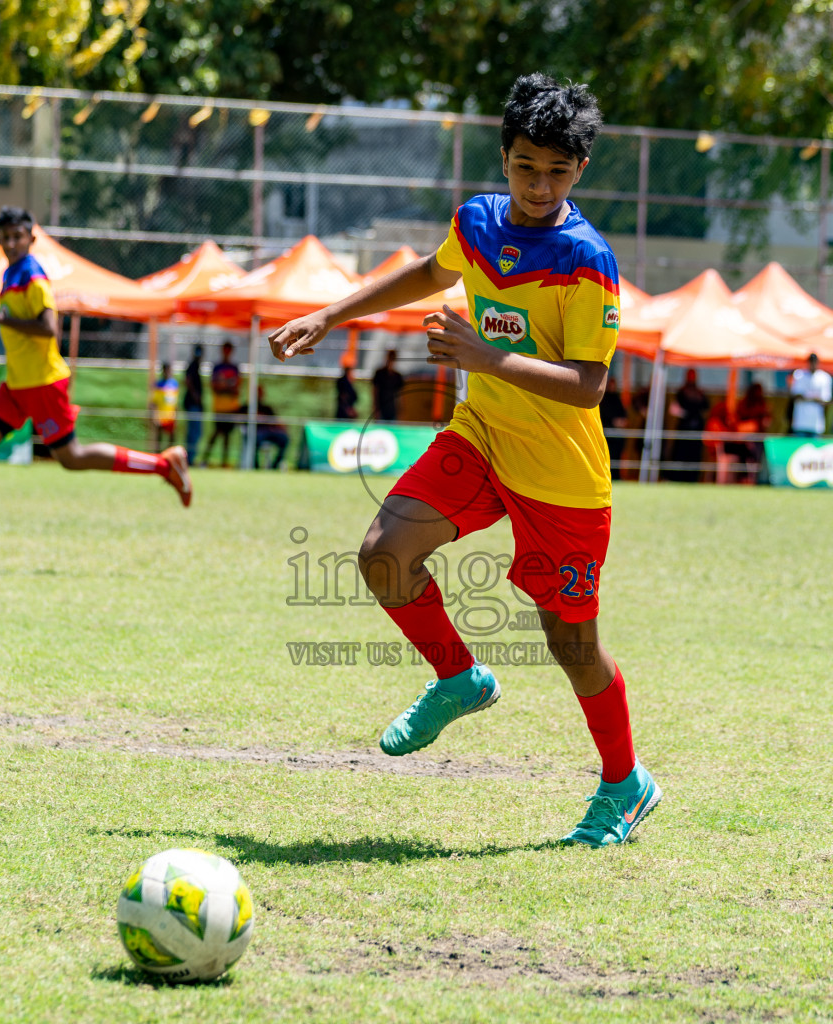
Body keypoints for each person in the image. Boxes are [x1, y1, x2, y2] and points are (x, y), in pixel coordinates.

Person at [266, 74, 659, 846]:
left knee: (570, 644)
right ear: (503, 157)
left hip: (561, 477)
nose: (539, 184)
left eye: (556, 170)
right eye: (524, 166)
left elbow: (588, 386)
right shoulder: (477, 223)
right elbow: (431, 272)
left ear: (580, 169)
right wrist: (330, 314)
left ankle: (625, 783)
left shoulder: (588, 259)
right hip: (480, 437)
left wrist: (485, 353)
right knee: (383, 556)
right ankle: (458, 677)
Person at [0, 207, 191, 561]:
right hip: (18, 384)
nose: (11, 243)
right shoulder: (12, 274)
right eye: (5, 237)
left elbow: (48, 329)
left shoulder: (33, 275)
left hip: (42, 383)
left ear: (32, 238)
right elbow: (10, 318)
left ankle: (164, 465)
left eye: (17, 237)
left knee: (71, 458)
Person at [203, 341, 242, 467]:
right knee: (215, 434)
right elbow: (215, 387)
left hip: (231, 407)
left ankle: (224, 462)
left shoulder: (235, 368)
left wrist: (224, 385)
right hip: (219, 407)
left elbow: (236, 388)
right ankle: (204, 459)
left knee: (227, 437)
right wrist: (227, 386)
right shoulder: (217, 367)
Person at [666, 368, 708, 483]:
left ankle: (692, 478)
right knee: (680, 455)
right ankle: (678, 477)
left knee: (694, 456)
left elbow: (705, 408)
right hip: (684, 429)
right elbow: (675, 409)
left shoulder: (700, 393)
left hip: (696, 430)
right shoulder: (681, 392)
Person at [730, 381, 772, 484]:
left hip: (757, 439)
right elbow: (736, 422)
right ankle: (744, 479)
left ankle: (754, 479)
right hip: (742, 440)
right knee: (746, 455)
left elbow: (766, 423)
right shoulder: (744, 404)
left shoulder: (762, 405)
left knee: (757, 455)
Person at [789, 353, 832, 437]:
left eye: (814, 361)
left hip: (816, 424)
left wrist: (806, 398)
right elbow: (795, 395)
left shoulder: (824, 377)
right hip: (800, 423)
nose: (812, 364)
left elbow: (826, 400)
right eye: (811, 361)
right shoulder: (799, 375)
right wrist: (814, 398)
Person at [252, 386, 290, 469]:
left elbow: (274, 420)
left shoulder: (267, 408)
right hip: (256, 432)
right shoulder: (247, 407)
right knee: (254, 439)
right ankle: (255, 466)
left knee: (284, 439)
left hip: (269, 431)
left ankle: (275, 465)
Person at [599, 375, 628, 473]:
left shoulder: (617, 398)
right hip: (607, 433)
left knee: (617, 456)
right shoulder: (603, 399)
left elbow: (623, 415)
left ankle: (616, 475)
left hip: (617, 435)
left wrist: (622, 421)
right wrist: (614, 421)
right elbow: (604, 414)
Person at [183, 344, 205, 464]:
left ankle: (190, 458)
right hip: (193, 405)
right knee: (193, 433)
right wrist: (195, 395)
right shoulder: (193, 365)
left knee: (196, 433)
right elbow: (188, 380)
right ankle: (189, 459)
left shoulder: (196, 366)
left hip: (195, 405)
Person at [150, 363, 180, 453]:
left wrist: (176, 415)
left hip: (171, 415)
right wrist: (155, 416)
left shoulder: (174, 384)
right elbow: (154, 402)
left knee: (172, 437)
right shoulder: (159, 384)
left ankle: (170, 455)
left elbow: (175, 402)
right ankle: (158, 456)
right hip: (161, 415)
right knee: (159, 437)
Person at [372, 348, 405, 421]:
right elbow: (375, 391)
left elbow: (399, 395)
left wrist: (400, 410)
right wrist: (375, 408)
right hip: (381, 409)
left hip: (392, 410)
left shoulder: (397, 376)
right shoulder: (379, 373)